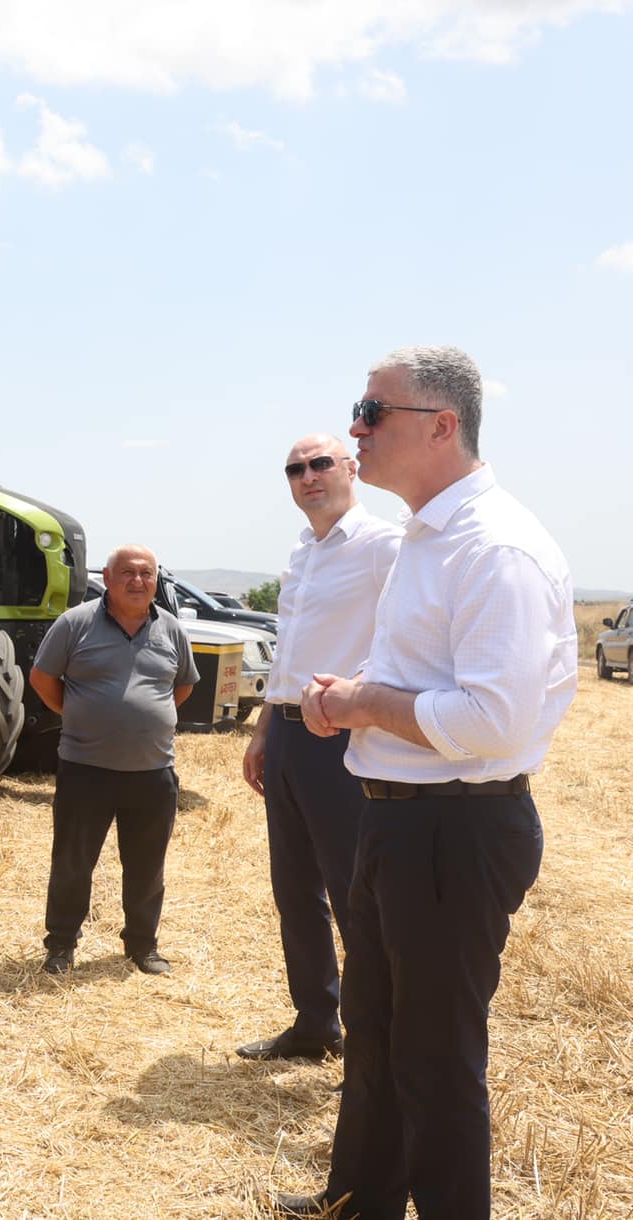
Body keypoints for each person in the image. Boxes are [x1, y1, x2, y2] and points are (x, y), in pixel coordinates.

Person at [271, 347, 577, 1220]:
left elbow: (494, 720)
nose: (356, 428)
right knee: (374, 1034)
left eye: (373, 412)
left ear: (442, 426)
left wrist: (364, 703)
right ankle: (358, 1201)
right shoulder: (426, 538)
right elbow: (415, 668)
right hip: (400, 822)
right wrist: (353, 693)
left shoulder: (495, 547)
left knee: (436, 1062)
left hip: (455, 832)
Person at [236, 435, 400, 1063]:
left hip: (341, 738)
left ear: (350, 468)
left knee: (355, 894)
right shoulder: (302, 552)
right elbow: (291, 653)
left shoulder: (383, 545)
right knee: (295, 890)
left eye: (320, 463)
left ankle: (372, 1045)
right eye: (294, 469)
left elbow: (402, 637)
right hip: (287, 735)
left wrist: (355, 698)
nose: (307, 476)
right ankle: (314, 1024)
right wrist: (264, 730)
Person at [31, 543, 199, 977]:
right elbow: (42, 677)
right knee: (73, 863)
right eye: (127, 572)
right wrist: (79, 713)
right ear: (107, 577)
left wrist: (147, 717)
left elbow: (182, 685)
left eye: (146, 573)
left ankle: (142, 945)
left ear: (156, 580)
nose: (138, 581)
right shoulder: (75, 623)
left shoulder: (171, 629)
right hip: (85, 769)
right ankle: (61, 945)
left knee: (147, 866)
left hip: (153, 772)